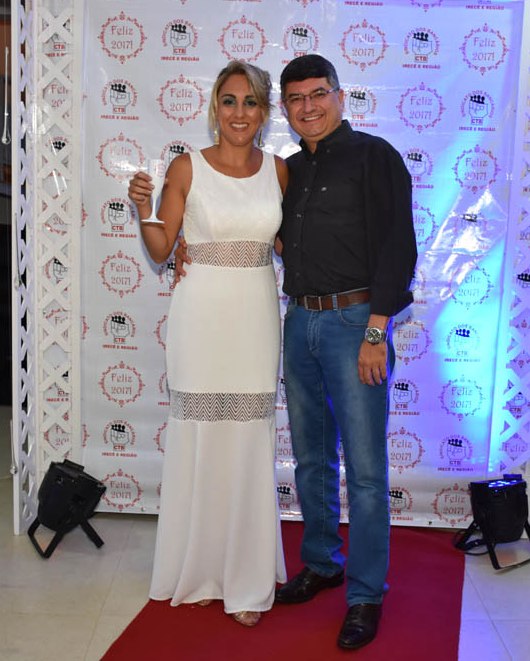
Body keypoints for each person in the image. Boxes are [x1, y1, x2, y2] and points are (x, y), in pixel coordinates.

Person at [177, 54, 417, 649]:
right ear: (284, 108)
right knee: (310, 457)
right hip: (298, 320)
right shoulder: (288, 170)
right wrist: (190, 242)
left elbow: (398, 246)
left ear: (339, 96)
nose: (308, 106)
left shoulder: (376, 157)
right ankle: (322, 563)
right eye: (296, 98)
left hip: (356, 323)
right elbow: (258, 230)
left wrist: (376, 331)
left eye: (318, 94)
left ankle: (365, 594)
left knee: (365, 471)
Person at [128, 60, 289, 627]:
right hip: (199, 316)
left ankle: (245, 580)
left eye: (250, 102)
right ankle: (196, 571)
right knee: (199, 438)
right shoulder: (186, 167)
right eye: (229, 100)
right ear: (214, 108)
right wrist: (143, 208)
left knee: (247, 439)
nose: (239, 112)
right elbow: (161, 248)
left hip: (255, 317)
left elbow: (295, 246)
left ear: (264, 112)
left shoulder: (280, 171)